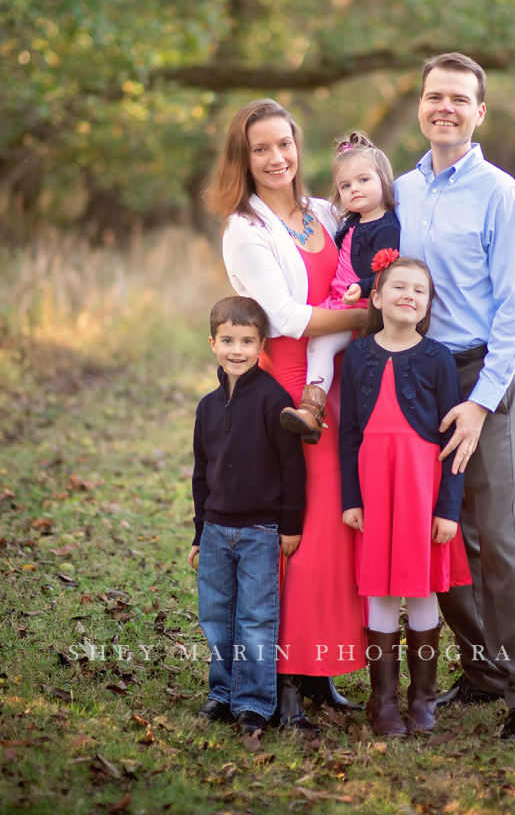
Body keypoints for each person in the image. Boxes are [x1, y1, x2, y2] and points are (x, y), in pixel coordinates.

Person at [394, 52, 515, 741]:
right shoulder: (397, 190)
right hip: (411, 378)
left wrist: (482, 400)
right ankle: (484, 669)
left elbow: (514, 315)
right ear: (420, 106)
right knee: (430, 529)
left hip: (475, 374)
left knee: (496, 535)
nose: (445, 108)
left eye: (459, 99)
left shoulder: (499, 195)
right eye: (434, 96)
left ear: (478, 112)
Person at [203, 98, 367, 730]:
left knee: (332, 531)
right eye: (260, 149)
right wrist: (366, 316)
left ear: (299, 146)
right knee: (293, 529)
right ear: (243, 160)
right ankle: (280, 676)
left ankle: (320, 665)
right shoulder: (245, 229)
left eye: (284, 144)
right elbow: (287, 317)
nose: (276, 158)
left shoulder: (324, 212)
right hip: (289, 393)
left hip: (339, 384)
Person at [339, 256, 472, 736]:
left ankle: (423, 698)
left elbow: (451, 443)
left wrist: (448, 508)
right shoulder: (357, 355)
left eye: (420, 290)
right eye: (399, 286)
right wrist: (350, 498)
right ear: (375, 297)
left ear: (428, 305)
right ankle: (383, 699)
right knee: (380, 586)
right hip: (375, 487)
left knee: (419, 589)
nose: (408, 295)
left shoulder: (437, 357)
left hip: (421, 490)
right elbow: (349, 433)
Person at [188, 295, 307, 736]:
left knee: (256, 618)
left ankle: (254, 703)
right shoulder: (206, 406)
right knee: (216, 615)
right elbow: (202, 473)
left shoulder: (274, 400)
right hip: (217, 529)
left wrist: (290, 524)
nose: (237, 350)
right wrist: (200, 534)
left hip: (261, 529)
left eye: (247, 341)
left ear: (262, 347)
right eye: (228, 340)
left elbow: (292, 468)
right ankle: (222, 692)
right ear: (213, 343)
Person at [281, 130, 400, 441]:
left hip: (361, 306)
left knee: (321, 343)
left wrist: (362, 288)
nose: (354, 189)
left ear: (384, 181)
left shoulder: (386, 227)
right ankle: (318, 407)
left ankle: (311, 408)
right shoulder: (349, 222)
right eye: (346, 186)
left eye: (363, 180)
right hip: (339, 302)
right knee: (315, 340)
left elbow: (389, 273)